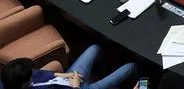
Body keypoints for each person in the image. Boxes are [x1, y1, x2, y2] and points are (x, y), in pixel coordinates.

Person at [1, 45, 138, 89]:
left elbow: (40, 75)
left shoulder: (11, 77)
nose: (34, 73)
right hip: (76, 87)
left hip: (69, 79)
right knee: (131, 67)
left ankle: (103, 73)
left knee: (95, 48)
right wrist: (76, 86)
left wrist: (62, 75)